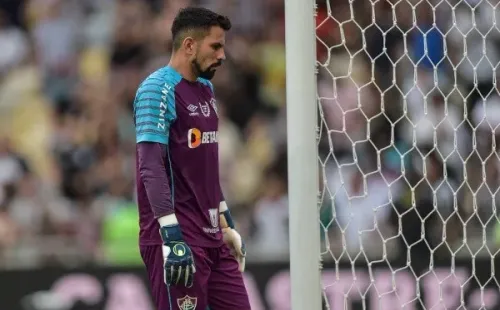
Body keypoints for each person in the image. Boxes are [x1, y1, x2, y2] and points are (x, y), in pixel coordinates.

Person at [133, 6, 251, 310]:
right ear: (189, 45)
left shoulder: (206, 90)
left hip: (212, 238)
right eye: (216, 46)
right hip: (178, 238)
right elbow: (150, 167)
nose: (223, 55)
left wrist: (225, 222)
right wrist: (171, 235)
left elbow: (204, 167)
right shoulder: (156, 90)